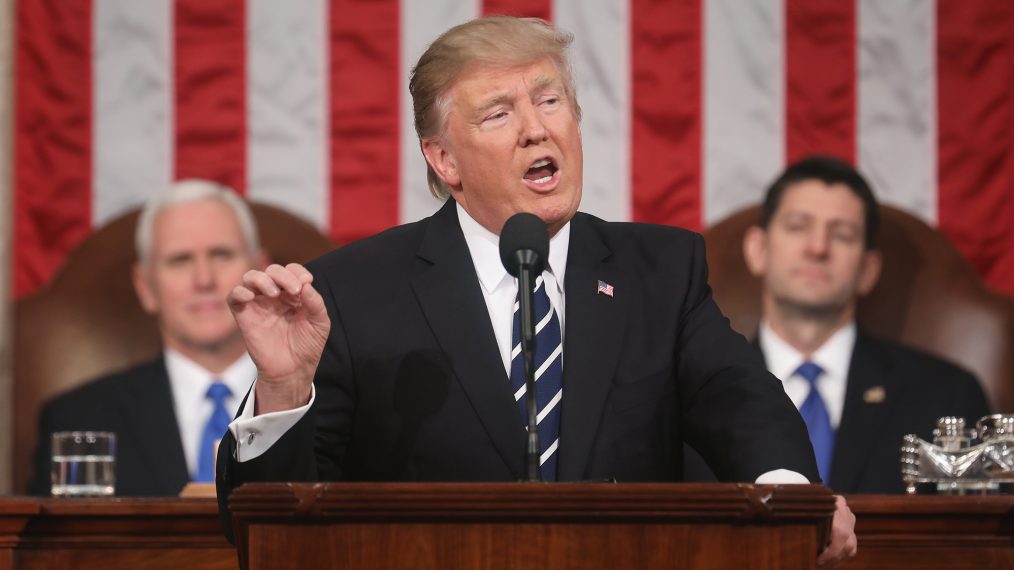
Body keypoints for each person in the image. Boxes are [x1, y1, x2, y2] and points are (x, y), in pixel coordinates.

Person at [218, 17, 856, 565]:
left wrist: (790, 496)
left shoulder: (659, 269)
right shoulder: (355, 293)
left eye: (550, 102)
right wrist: (281, 390)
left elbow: (737, 399)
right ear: (444, 160)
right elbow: (263, 531)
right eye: (499, 114)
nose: (536, 130)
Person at [730, 155, 989, 493]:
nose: (818, 248)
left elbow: (978, 538)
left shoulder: (946, 398)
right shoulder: (695, 401)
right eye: (797, 227)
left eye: (842, 234)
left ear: (869, 269)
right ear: (758, 250)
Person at [30, 180, 266, 496]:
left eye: (222, 254)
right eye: (179, 260)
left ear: (260, 270)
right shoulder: (78, 418)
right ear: (145, 287)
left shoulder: (329, 405)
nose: (204, 279)